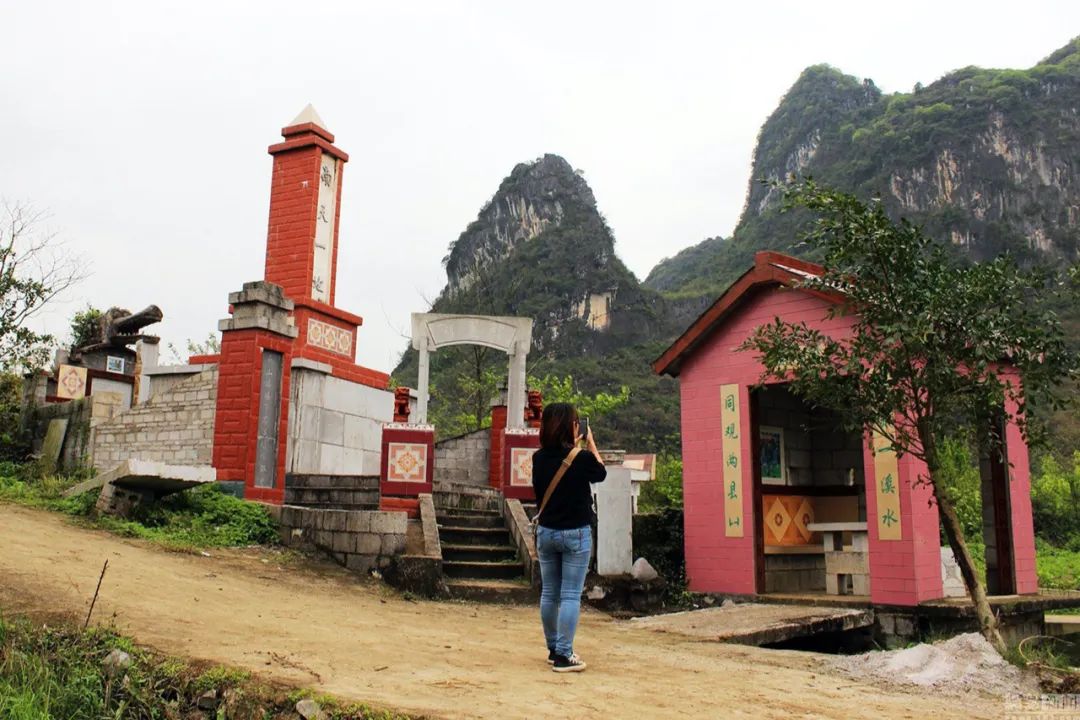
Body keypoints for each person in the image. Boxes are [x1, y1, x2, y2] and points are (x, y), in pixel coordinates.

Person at [531, 402, 606, 673]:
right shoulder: (581, 458)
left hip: (547, 533)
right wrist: (590, 443)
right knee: (571, 595)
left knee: (550, 593)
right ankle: (565, 654)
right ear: (572, 426)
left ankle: (553, 649)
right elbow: (601, 472)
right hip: (576, 534)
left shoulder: (538, 458)